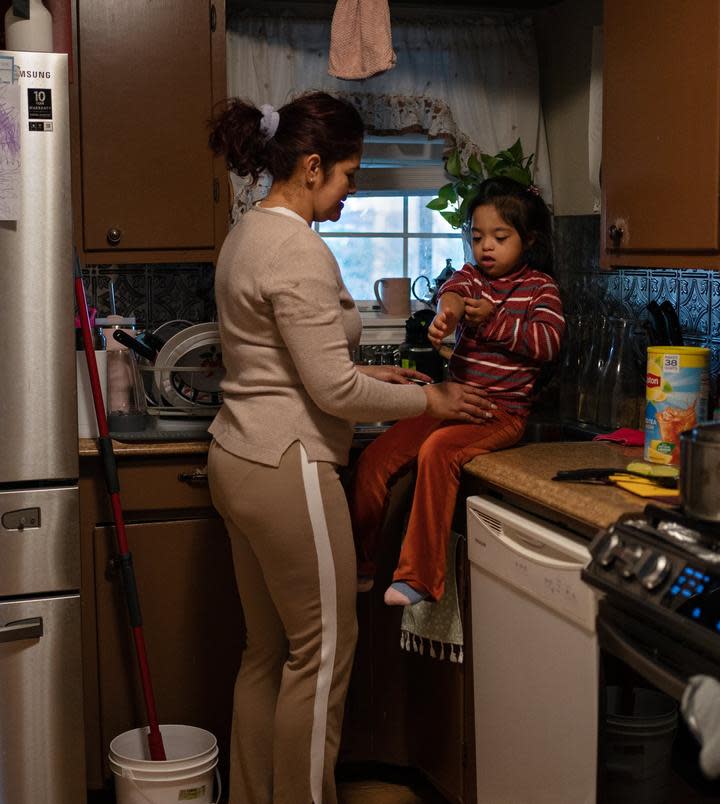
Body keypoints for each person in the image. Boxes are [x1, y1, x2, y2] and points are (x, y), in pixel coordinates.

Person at [205, 92, 494, 804]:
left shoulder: (246, 233)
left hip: (238, 456)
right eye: (348, 175)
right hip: (287, 465)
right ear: (310, 167)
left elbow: (286, 365)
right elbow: (331, 394)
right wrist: (431, 398)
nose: (351, 190)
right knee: (324, 654)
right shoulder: (296, 249)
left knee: (267, 654)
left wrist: (372, 376)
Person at [349, 177, 566, 606]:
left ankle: (420, 577)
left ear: (530, 239)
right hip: (453, 400)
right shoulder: (471, 278)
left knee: (438, 452)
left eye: (500, 237)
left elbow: (547, 345)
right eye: (477, 236)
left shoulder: (541, 289)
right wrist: (446, 317)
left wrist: (492, 321)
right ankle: (360, 562)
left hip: (499, 414)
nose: (486, 247)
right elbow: (452, 294)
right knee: (374, 458)